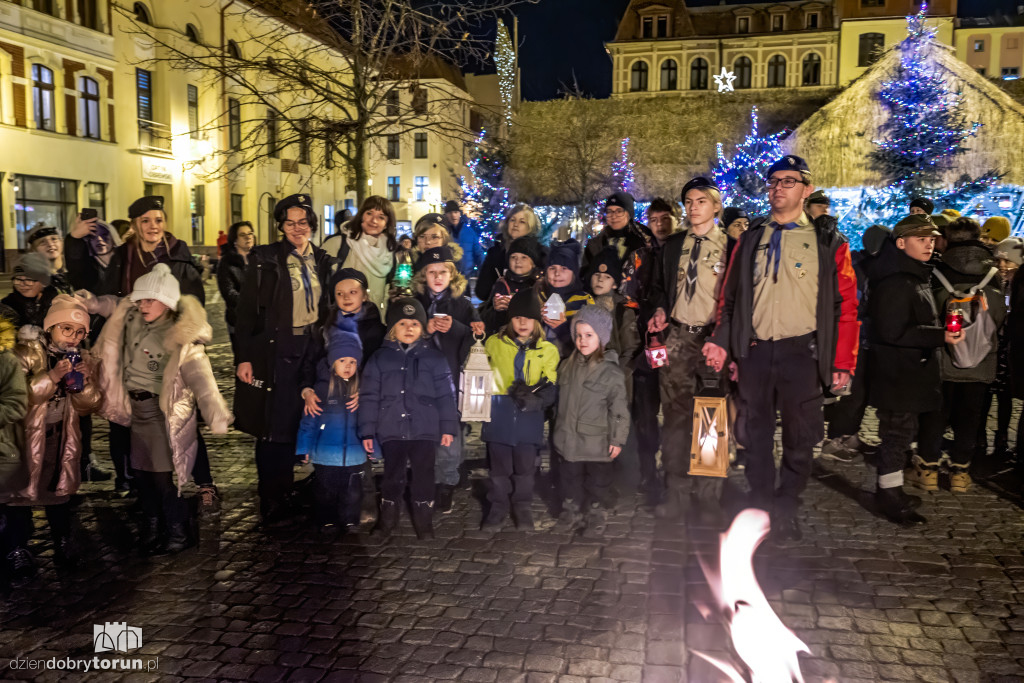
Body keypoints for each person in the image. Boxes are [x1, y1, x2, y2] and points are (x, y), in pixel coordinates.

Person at [704, 155, 859, 543]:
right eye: (773, 180)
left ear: (806, 190)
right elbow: (731, 298)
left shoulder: (829, 243)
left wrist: (842, 362)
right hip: (756, 352)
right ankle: (759, 501)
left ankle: (787, 503)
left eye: (789, 181)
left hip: (801, 354)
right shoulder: (752, 238)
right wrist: (725, 343)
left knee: (800, 436)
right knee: (753, 434)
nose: (778, 187)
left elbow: (847, 306)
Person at [92, 264, 230, 555]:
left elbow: (201, 377)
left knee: (163, 478)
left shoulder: (180, 336)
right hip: (137, 411)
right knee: (142, 474)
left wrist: (215, 412)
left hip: (162, 413)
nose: (143, 304)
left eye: (150, 300)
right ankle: (154, 527)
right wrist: (92, 303)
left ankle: (179, 531)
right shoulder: (134, 320)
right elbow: (114, 306)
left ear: (167, 302)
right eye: (140, 299)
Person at [234, 194, 333, 528]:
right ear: (281, 226)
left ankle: (289, 491)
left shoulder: (322, 260)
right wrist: (245, 357)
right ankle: (272, 499)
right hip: (276, 350)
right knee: (272, 429)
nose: (296, 228)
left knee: (298, 423)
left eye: (302, 222)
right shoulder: (265, 259)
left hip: (311, 348)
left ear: (312, 225)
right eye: (289, 223)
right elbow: (245, 313)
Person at [867, 215, 960, 524]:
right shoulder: (897, 280)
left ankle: (891, 490)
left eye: (932, 240)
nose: (929, 245)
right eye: (922, 240)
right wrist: (939, 335)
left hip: (907, 373)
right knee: (896, 435)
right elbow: (892, 330)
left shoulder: (914, 275)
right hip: (898, 374)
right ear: (901, 243)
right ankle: (888, 496)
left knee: (902, 434)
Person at [647, 177, 731, 520]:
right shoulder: (673, 245)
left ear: (715, 206)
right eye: (689, 202)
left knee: (711, 419)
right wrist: (660, 307)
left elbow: (739, 299)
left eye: (701, 201)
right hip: (678, 338)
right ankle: (677, 491)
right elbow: (657, 287)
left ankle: (709, 496)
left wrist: (724, 338)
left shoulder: (733, 245)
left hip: (712, 340)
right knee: (676, 419)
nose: (693, 207)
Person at [5, 295, 100, 570]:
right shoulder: (25, 352)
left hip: (60, 437)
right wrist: (53, 377)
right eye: (66, 329)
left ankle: (62, 542)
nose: (73, 337)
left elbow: (89, 405)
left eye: (80, 332)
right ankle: (17, 549)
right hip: (26, 437)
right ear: (50, 327)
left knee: (59, 493)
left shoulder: (79, 356)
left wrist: (83, 383)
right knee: (19, 497)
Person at [915, 216, 1005, 493]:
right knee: (970, 417)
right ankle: (960, 474)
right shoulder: (994, 274)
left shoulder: (936, 271)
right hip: (981, 360)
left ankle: (928, 470)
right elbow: (999, 317)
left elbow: (927, 312)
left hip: (943, 357)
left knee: (935, 415)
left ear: (948, 239)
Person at [359, 298, 458, 539]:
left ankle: (424, 522)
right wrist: (367, 431)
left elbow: (446, 396)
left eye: (415, 323)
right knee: (393, 476)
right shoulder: (380, 359)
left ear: (423, 327)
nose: (409, 328)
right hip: (392, 427)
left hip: (424, 428)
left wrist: (448, 427)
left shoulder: (435, 359)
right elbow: (369, 396)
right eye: (402, 323)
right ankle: (387, 521)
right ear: (392, 328)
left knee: (424, 475)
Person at [412, 246, 484, 513]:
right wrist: (424, 330)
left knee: (450, 436)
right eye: (432, 272)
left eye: (443, 272)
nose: (438, 277)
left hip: (451, 382)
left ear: (452, 275)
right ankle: (427, 478)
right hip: (420, 381)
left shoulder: (463, 304)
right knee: (424, 433)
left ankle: (447, 483)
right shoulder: (415, 303)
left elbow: (476, 340)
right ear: (423, 276)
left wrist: (456, 327)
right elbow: (399, 335)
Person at [480, 289, 559, 531]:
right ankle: (498, 506)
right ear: (510, 318)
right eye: (516, 317)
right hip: (499, 414)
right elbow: (479, 372)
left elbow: (552, 384)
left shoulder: (548, 350)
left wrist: (537, 399)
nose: (522, 323)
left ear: (537, 321)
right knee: (499, 469)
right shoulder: (493, 343)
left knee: (525, 469)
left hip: (528, 417)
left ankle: (522, 505)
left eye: (528, 318)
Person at [552, 304, 630, 536]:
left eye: (589, 335)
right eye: (578, 335)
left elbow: (618, 409)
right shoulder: (566, 366)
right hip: (569, 439)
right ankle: (571, 509)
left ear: (601, 338)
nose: (582, 341)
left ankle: (596, 512)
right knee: (570, 479)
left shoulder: (611, 372)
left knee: (598, 482)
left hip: (596, 441)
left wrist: (617, 438)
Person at [623, 198, 680, 503]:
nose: (660, 223)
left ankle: (675, 473)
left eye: (666, 217)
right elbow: (628, 302)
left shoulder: (686, 251)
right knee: (645, 414)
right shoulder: (640, 256)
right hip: (648, 344)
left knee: (676, 414)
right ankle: (648, 471)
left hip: (682, 345)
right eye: (654, 218)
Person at [821, 224, 893, 463]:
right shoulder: (867, 268)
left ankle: (847, 435)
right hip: (862, 338)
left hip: (861, 336)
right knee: (856, 393)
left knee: (859, 393)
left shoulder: (858, 263)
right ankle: (837, 439)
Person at [296, 316, 367, 534]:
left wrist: (373, 447)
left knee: (352, 491)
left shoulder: (362, 392)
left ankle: (349, 520)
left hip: (355, 455)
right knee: (325, 490)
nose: (348, 366)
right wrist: (303, 449)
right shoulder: (321, 390)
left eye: (353, 362)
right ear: (332, 362)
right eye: (343, 360)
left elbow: (369, 422)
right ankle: (326, 519)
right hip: (326, 454)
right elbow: (309, 420)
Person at [65, 197, 204, 304]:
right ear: (134, 225)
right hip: (130, 335)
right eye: (145, 221)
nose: (153, 226)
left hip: (166, 336)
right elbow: (87, 282)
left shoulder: (178, 256)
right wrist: (75, 239)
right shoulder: (121, 256)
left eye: (158, 220)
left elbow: (193, 307)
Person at [321, 196, 398, 320]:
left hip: (373, 325)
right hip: (340, 325)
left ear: (386, 224)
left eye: (381, 217)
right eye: (369, 213)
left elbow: (388, 293)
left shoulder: (389, 254)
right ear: (361, 216)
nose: (374, 220)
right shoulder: (337, 244)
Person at [985, 237, 1023, 460]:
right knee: (987, 397)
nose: (1002, 266)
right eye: (998, 261)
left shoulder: (1018, 287)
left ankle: (1002, 440)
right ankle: (982, 440)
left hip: (1010, 349)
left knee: (1007, 399)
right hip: (993, 346)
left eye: (1008, 262)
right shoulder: (993, 283)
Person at [0, 314, 29, 586]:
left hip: (3, 448)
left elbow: (17, 404)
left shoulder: (6, 361)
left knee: (10, 505)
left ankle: (17, 551)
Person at [536, 239, 594, 359]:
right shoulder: (538, 296)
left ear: (574, 273)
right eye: (552, 268)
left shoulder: (584, 301)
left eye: (564, 268)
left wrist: (563, 328)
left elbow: (590, 343)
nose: (557, 274)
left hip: (568, 365)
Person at [476, 203, 546, 301]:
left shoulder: (541, 254)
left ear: (531, 226)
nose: (515, 224)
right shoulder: (496, 253)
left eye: (522, 222)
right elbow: (482, 291)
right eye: (512, 220)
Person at [479, 235, 544, 336]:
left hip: (533, 338)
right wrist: (496, 310)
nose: (518, 261)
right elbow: (487, 320)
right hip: (505, 337)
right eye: (513, 257)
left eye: (524, 257)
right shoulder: (501, 284)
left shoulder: (539, 285)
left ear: (533, 263)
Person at [582, 192, 653, 274]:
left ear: (629, 214)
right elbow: (584, 275)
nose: (613, 216)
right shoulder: (594, 245)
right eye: (609, 211)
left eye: (619, 211)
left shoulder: (644, 243)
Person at [217, 221, 256, 357]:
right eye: (243, 235)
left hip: (262, 323)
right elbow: (228, 292)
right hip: (239, 321)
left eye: (250, 233)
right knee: (243, 361)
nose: (248, 237)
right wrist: (252, 303)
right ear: (235, 240)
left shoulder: (261, 259)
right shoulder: (227, 263)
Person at [2, 255, 58, 329]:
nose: (22, 284)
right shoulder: (8, 305)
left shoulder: (57, 301)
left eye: (28, 279)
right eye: (18, 279)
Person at [25, 224, 72, 294]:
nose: (50, 244)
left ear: (61, 243)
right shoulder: (32, 282)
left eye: (54, 239)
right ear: (33, 250)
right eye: (42, 242)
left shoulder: (73, 272)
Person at [442, 200, 483, 277]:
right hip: (449, 278)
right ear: (446, 215)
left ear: (459, 213)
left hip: (467, 277)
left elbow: (478, 253)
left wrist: (484, 271)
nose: (453, 215)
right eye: (450, 213)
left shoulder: (469, 232)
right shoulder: (443, 233)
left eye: (456, 212)